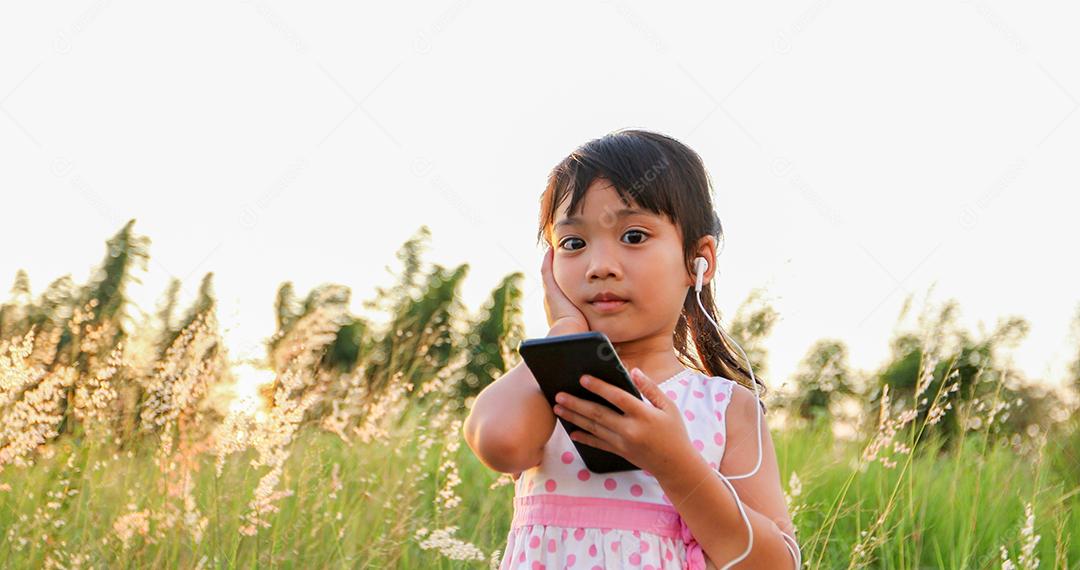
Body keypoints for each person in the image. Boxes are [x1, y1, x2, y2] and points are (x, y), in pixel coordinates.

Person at [463, 129, 800, 569]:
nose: (600, 266)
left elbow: (775, 563)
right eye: (573, 244)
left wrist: (675, 464)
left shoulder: (725, 408)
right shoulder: (548, 391)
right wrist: (565, 331)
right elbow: (497, 441)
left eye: (634, 236)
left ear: (698, 261)